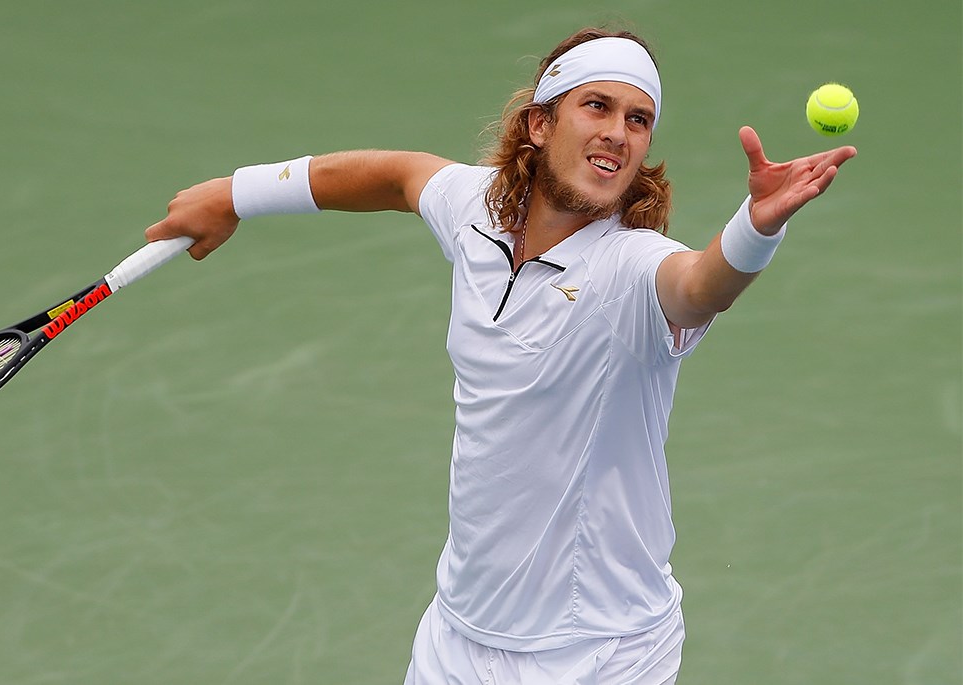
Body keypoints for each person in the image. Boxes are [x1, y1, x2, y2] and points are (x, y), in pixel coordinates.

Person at [144, 26, 856, 685]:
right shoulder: (476, 211)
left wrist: (756, 227)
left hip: (601, 652)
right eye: (597, 106)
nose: (618, 133)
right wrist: (233, 193)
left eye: (638, 120)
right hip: (460, 636)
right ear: (540, 124)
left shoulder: (632, 269)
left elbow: (701, 287)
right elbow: (395, 176)